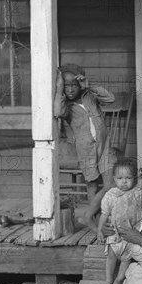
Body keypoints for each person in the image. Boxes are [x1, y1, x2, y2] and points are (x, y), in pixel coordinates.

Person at [53, 63, 117, 204]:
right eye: (66, 85)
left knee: (110, 184)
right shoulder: (66, 106)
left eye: (74, 85)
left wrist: (89, 86)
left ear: (80, 84)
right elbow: (57, 112)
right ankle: (93, 218)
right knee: (92, 185)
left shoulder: (89, 96)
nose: (70, 89)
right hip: (86, 151)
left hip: (104, 147)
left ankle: (90, 215)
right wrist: (58, 90)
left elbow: (110, 98)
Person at [97, 159, 142, 284]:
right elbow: (104, 214)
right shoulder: (110, 195)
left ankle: (119, 280)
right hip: (114, 232)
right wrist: (100, 230)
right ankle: (109, 278)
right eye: (120, 178)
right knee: (111, 256)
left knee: (126, 259)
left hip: (132, 233)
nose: (124, 182)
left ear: (134, 179)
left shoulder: (138, 193)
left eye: (128, 178)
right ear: (114, 179)